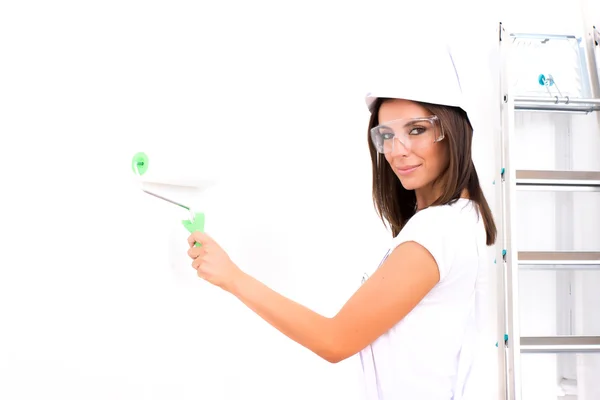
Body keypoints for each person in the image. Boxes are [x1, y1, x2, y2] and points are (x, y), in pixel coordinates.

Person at [186, 42, 497, 400]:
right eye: (386, 135)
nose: (397, 151)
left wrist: (231, 277)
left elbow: (334, 341)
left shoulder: (437, 231)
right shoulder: (464, 218)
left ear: (453, 130)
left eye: (416, 130)